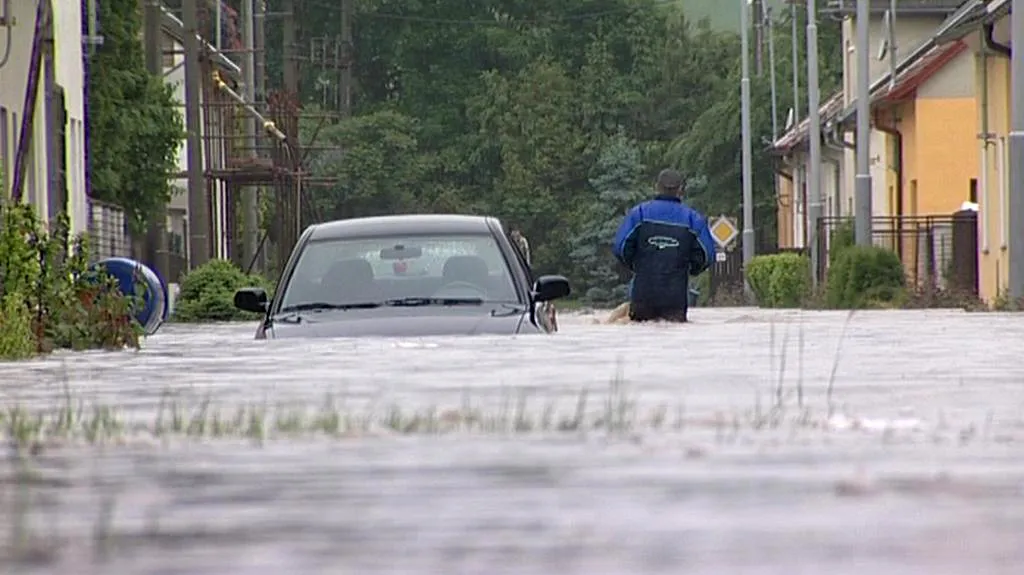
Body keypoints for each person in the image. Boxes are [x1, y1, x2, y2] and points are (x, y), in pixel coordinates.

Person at [611, 168, 715, 323]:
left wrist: (636, 265)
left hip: (642, 294)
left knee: (641, 339)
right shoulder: (693, 220)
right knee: (674, 337)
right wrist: (691, 269)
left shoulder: (639, 214)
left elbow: (620, 248)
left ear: (656, 187)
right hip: (675, 297)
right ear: (681, 190)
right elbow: (707, 256)